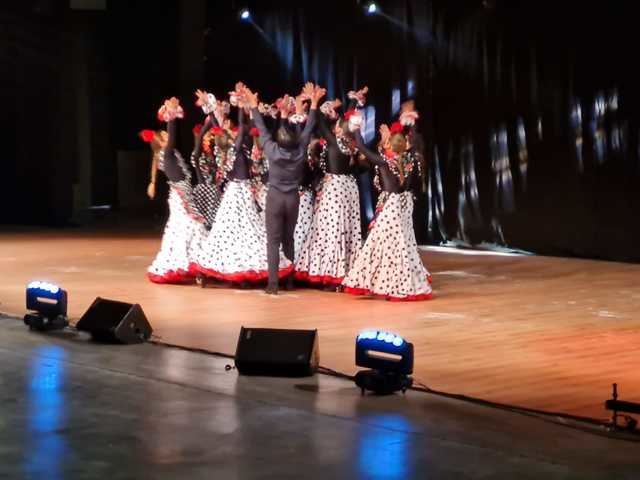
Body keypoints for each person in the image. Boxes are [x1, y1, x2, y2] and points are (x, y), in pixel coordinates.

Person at [192, 85, 292, 285]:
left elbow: (230, 127)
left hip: (239, 191)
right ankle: (237, 271)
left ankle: (236, 270)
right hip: (239, 192)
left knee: (237, 231)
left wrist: (215, 109)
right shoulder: (234, 149)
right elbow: (240, 127)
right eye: (230, 133)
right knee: (239, 230)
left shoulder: (234, 149)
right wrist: (237, 105)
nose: (233, 132)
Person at [241, 82, 325, 294]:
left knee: (273, 240)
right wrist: (314, 103)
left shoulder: (271, 149)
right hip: (292, 199)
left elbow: (261, 127)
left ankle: (273, 284)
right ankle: (289, 280)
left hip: (275, 198)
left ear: (277, 140)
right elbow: (308, 127)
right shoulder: (299, 150)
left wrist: (253, 105)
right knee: (289, 238)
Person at [341, 111, 432, 301]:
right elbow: (414, 145)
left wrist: (357, 129)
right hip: (405, 205)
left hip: (391, 207)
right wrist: (411, 126)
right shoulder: (413, 159)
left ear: (391, 145)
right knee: (400, 245)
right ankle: (393, 283)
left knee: (382, 246)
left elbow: (363, 149)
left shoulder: (384, 161)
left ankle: (392, 285)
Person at [295, 87, 368, 290]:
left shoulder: (335, 143)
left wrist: (315, 102)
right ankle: (343, 271)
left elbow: (317, 120)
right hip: (347, 188)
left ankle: (330, 275)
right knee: (344, 229)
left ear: (337, 129)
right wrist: (353, 103)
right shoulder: (350, 144)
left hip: (335, 189)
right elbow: (348, 120)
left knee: (330, 230)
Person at [143, 97, 208, 284]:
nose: (167, 138)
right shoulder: (167, 153)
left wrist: (152, 182)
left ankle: (191, 266)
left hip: (180, 194)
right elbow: (171, 139)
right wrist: (171, 117)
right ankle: (195, 267)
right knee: (192, 227)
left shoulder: (164, 155)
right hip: (181, 197)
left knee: (184, 229)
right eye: (163, 137)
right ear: (161, 143)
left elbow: (155, 163)